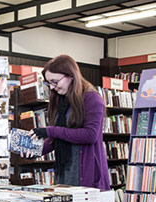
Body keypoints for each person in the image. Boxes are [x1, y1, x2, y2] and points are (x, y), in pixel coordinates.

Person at [25, 54, 110, 190]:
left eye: (55, 82)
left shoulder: (92, 98)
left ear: (70, 75)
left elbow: (90, 135)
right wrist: (35, 150)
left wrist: (50, 130)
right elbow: (58, 138)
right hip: (64, 171)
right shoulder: (61, 99)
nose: (52, 87)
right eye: (49, 83)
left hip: (85, 173)